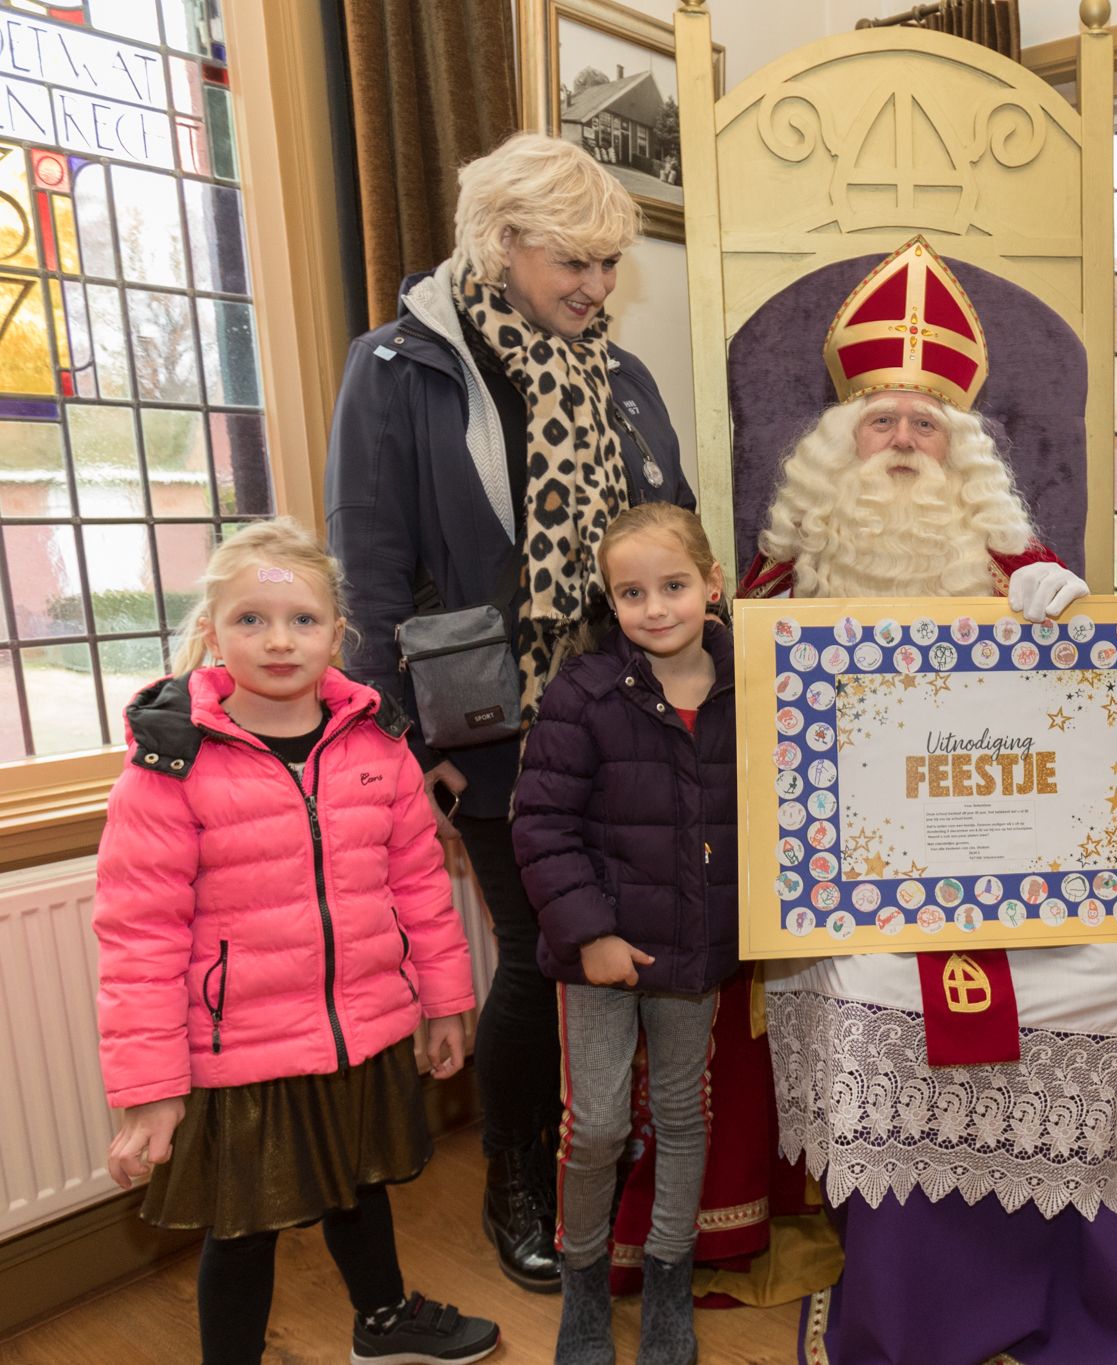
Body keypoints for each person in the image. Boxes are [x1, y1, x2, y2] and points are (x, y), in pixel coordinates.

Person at [746, 236, 1117, 1364]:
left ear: (963, 449)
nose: (901, 442)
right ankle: (913, 1300)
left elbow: (1094, 729)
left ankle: (1073, 1273)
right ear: (838, 445)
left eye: (924, 424)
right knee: (881, 986)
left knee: (1112, 972)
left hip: (1021, 875)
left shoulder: (1022, 574)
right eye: (880, 422)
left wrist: (1075, 614)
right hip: (861, 895)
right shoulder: (777, 596)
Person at [326, 130, 694, 1291]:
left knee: (628, 937)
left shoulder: (623, 379)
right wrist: (401, 742)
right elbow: (371, 573)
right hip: (487, 727)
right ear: (498, 243)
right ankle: (517, 1182)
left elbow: (673, 534)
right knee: (544, 957)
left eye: (605, 266)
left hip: (631, 709)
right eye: (569, 262)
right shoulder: (400, 369)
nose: (592, 289)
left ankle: (613, 1157)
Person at [92, 519, 498, 1365]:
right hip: (243, 1048)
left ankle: (382, 1321)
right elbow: (139, 936)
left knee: (360, 1183)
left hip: (363, 1025)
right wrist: (152, 1087)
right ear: (212, 630)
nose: (279, 640)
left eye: (302, 620)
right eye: (251, 619)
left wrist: (447, 1000)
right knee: (245, 1232)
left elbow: (420, 883)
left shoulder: (376, 741)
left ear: (337, 635)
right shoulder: (170, 765)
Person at [512, 504, 736, 1364]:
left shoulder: (746, 685)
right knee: (598, 1124)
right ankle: (585, 1287)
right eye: (631, 591)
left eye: (673, 585)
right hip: (600, 958)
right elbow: (539, 825)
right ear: (611, 601)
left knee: (682, 1114)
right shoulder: (585, 691)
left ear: (710, 585)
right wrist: (591, 934)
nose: (655, 607)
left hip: (695, 951)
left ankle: (671, 1280)